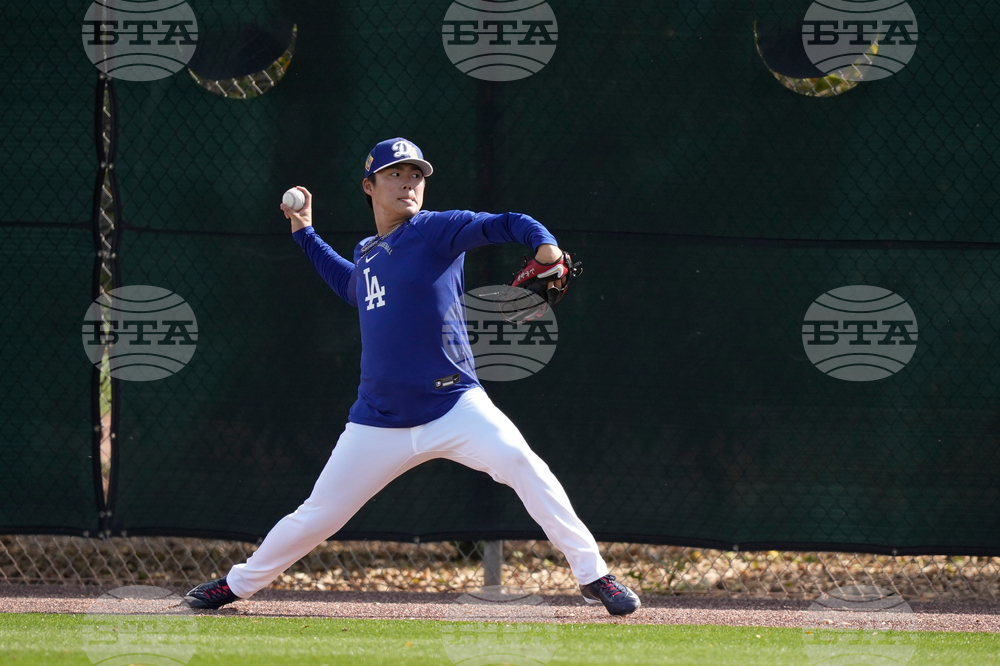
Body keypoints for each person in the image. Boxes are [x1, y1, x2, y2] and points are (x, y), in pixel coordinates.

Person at [183, 138, 640, 616]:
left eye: (416, 174)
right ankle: (236, 585)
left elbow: (507, 223)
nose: (408, 182)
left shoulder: (435, 230)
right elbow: (351, 287)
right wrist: (304, 232)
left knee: (525, 466)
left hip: (454, 405)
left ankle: (595, 576)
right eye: (396, 174)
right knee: (317, 516)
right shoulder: (367, 251)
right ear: (369, 185)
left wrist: (544, 246)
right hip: (378, 419)